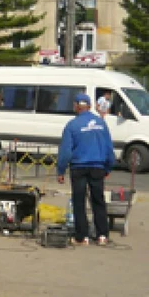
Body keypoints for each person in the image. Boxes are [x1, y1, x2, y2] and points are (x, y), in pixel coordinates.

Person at [57, 93, 115, 246]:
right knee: (98, 200)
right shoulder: (101, 124)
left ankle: (82, 237)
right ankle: (102, 235)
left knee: (79, 201)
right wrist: (108, 166)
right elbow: (109, 148)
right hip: (97, 167)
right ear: (89, 106)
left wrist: (61, 170)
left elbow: (66, 151)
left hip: (79, 167)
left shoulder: (72, 125)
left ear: (76, 106)